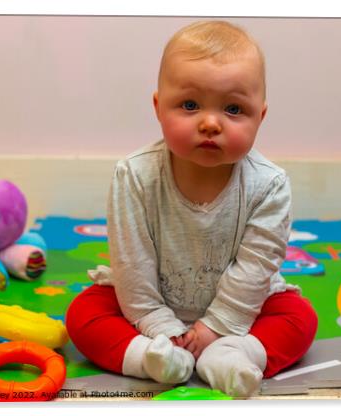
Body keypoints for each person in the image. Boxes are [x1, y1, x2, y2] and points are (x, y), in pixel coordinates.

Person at [66, 20, 318, 398]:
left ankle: (231, 354)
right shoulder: (134, 175)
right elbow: (131, 263)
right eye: (189, 105)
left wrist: (218, 327)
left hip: (241, 311)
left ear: (260, 117)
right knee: (83, 314)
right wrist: (159, 326)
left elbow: (257, 265)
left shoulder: (270, 184)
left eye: (233, 109)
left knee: (300, 319)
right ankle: (153, 358)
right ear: (158, 108)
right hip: (148, 305)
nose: (211, 122)